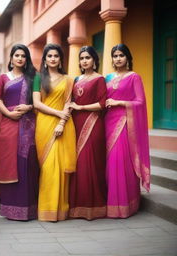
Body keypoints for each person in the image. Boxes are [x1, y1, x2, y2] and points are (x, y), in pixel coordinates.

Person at [0, 44, 39, 220]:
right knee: (9, 162)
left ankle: (29, 208)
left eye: (23, 55)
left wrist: (29, 107)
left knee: (27, 162)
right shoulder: (3, 78)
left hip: (28, 124)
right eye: (16, 55)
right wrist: (9, 113)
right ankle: (10, 208)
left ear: (26, 59)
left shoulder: (32, 77)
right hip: (8, 124)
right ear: (11, 58)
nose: (19, 58)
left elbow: (40, 100)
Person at [105, 44, 150, 218]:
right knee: (110, 164)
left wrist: (120, 103)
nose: (118, 59)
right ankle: (112, 203)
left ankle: (125, 204)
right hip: (107, 123)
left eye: (121, 55)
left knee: (120, 160)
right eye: (115, 55)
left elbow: (140, 102)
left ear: (128, 58)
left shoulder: (134, 77)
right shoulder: (108, 77)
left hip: (124, 123)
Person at [33, 44, 76, 221]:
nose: (52, 59)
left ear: (60, 59)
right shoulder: (38, 78)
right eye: (49, 56)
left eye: (56, 56)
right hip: (44, 124)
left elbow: (68, 103)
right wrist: (57, 113)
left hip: (63, 125)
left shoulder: (68, 79)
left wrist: (61, 122)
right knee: (47, 168)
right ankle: (46, 209)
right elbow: (36, 103)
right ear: (44, 59)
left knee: (59, 166)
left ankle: (61, 210)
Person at [69, 46, 107, 220]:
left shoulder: (99, 79)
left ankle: (94, 206)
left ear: (94, 60)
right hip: (75, 124)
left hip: (93, 124)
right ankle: (76, 206)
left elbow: (102, 103)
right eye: (82, 58)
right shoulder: (77, 79)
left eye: (88, 58)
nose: (84, 61)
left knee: (90, 162)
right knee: (77, 163)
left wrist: (81, 107)